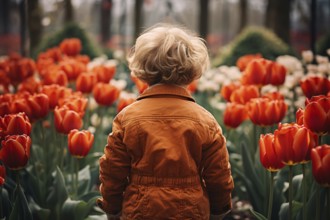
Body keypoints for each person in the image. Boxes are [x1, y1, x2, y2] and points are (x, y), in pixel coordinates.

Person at [97, 23, 234, 220]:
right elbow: (218, 174)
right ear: (193, 69)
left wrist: (111, 208)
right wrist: (220, 209)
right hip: (191, 211)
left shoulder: (127, 118)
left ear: (142, 67)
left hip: (139, 210)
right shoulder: (205, 121)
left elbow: (112, 170)